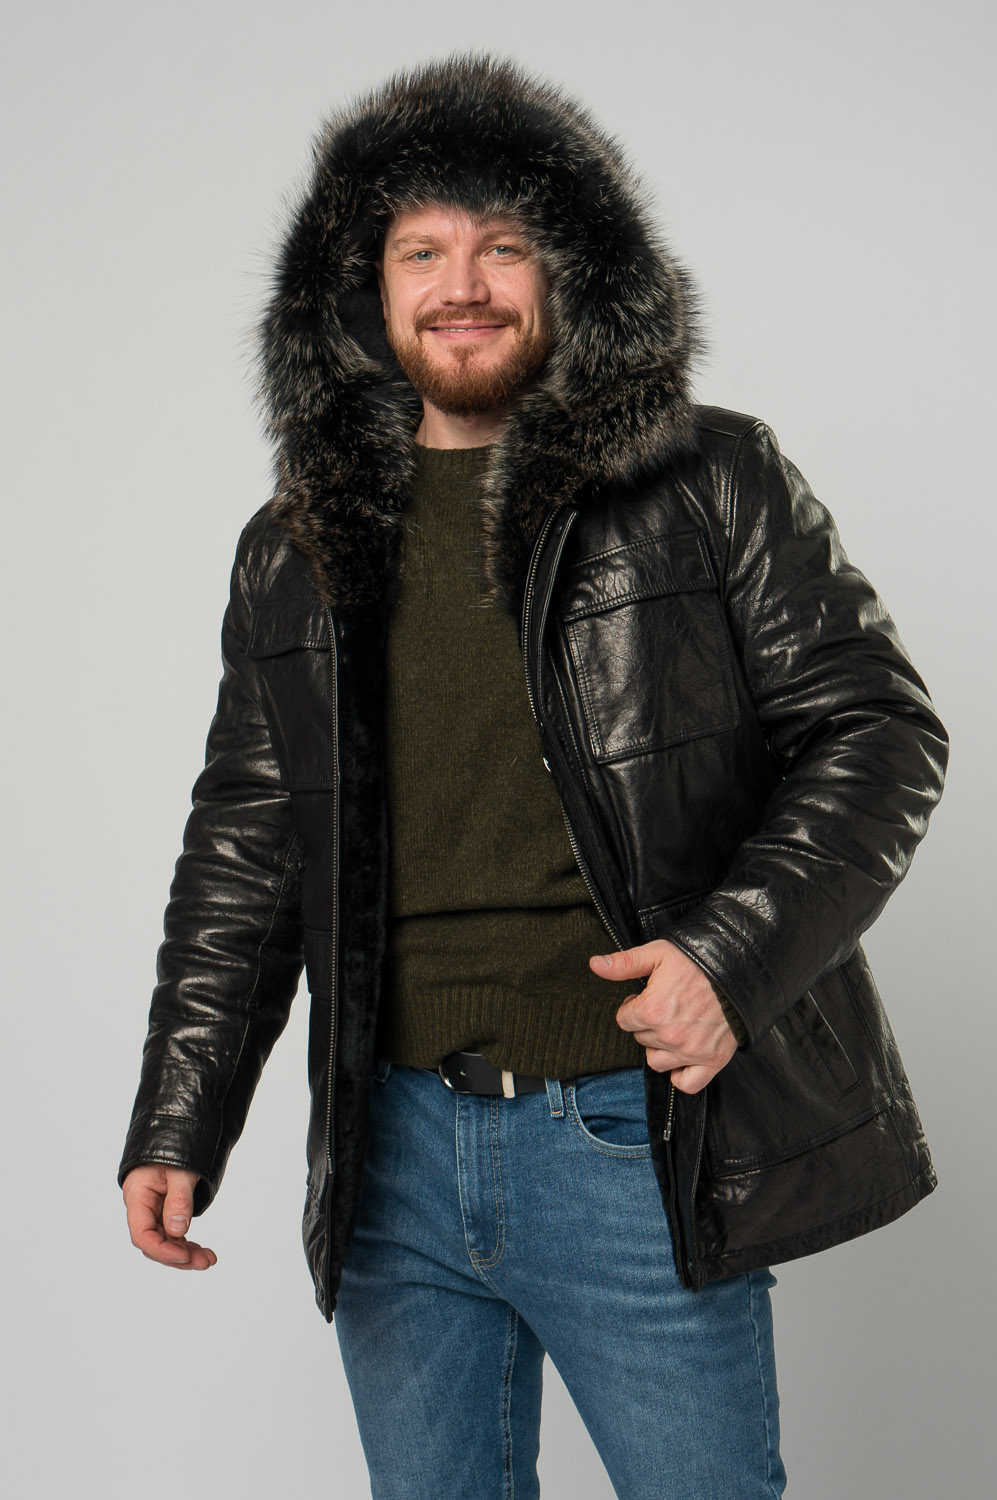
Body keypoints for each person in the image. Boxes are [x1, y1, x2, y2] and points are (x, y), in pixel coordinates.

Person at [119, 55, 948, 1499]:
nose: (463, 286)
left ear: (571, 275)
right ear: (362, 288)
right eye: (421, 251)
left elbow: (878, 733)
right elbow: (248, 841)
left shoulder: (710, 479)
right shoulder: (294, 544)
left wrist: (727, 956)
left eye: (503, 247)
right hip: (386, 1149)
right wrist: (182, 1114)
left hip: (624, 1132)